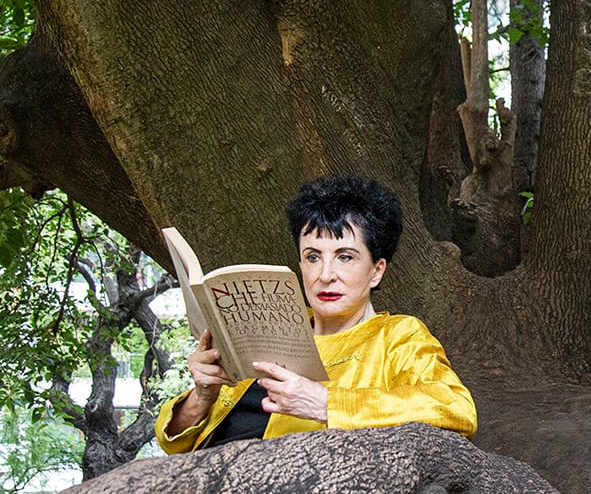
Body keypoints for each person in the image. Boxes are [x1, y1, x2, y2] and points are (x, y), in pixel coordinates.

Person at [155, 175, 475, 451]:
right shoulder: (265, 325)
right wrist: (202, 395)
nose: (325, 274)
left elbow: (456, 408)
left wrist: (325, 404)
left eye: (345, 257)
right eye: (312, 257)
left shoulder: (397, 337)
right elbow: (173, 442)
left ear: (377, 271)